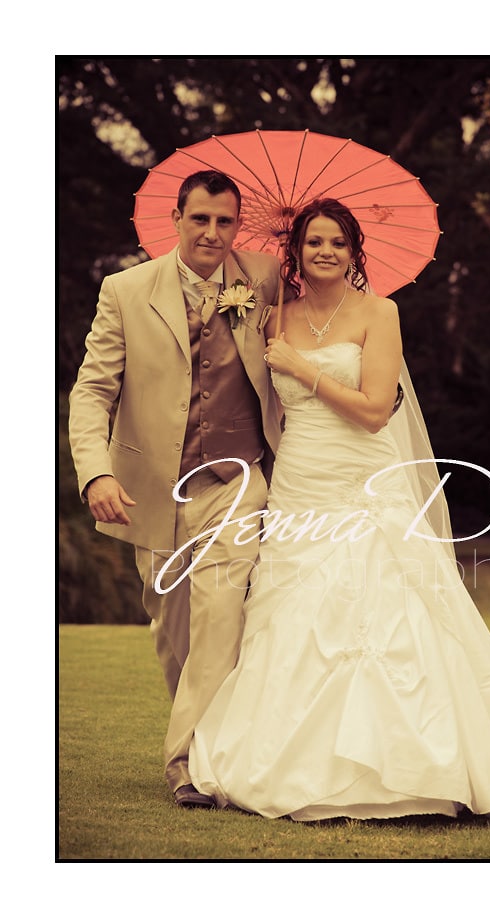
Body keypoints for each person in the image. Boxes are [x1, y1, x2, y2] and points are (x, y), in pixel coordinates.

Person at [187, 197, 490, 822]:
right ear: (296, 251)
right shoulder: (273, 318)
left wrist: (303, 369)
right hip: (300, 483)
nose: (325, 251)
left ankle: (414, 768)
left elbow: (373, 411)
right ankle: (286, 762)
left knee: (384, 606)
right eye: (314, 241)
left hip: (363, 478)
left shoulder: (379, 313)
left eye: (338, 242)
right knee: (292, 612)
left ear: (353, 251)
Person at [68, 170, 289, 809]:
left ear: (238, 225)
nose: (213, 233)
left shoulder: (265, 279)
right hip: (153, 489)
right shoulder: (126, 290)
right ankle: (201, 741)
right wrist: (96, 471)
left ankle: (189, 764)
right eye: (201, 219)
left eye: (225, 221)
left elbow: (324, 308)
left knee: (221, 616)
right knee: (176, 631)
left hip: (237, 481)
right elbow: (92, 390)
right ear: (177, 219)